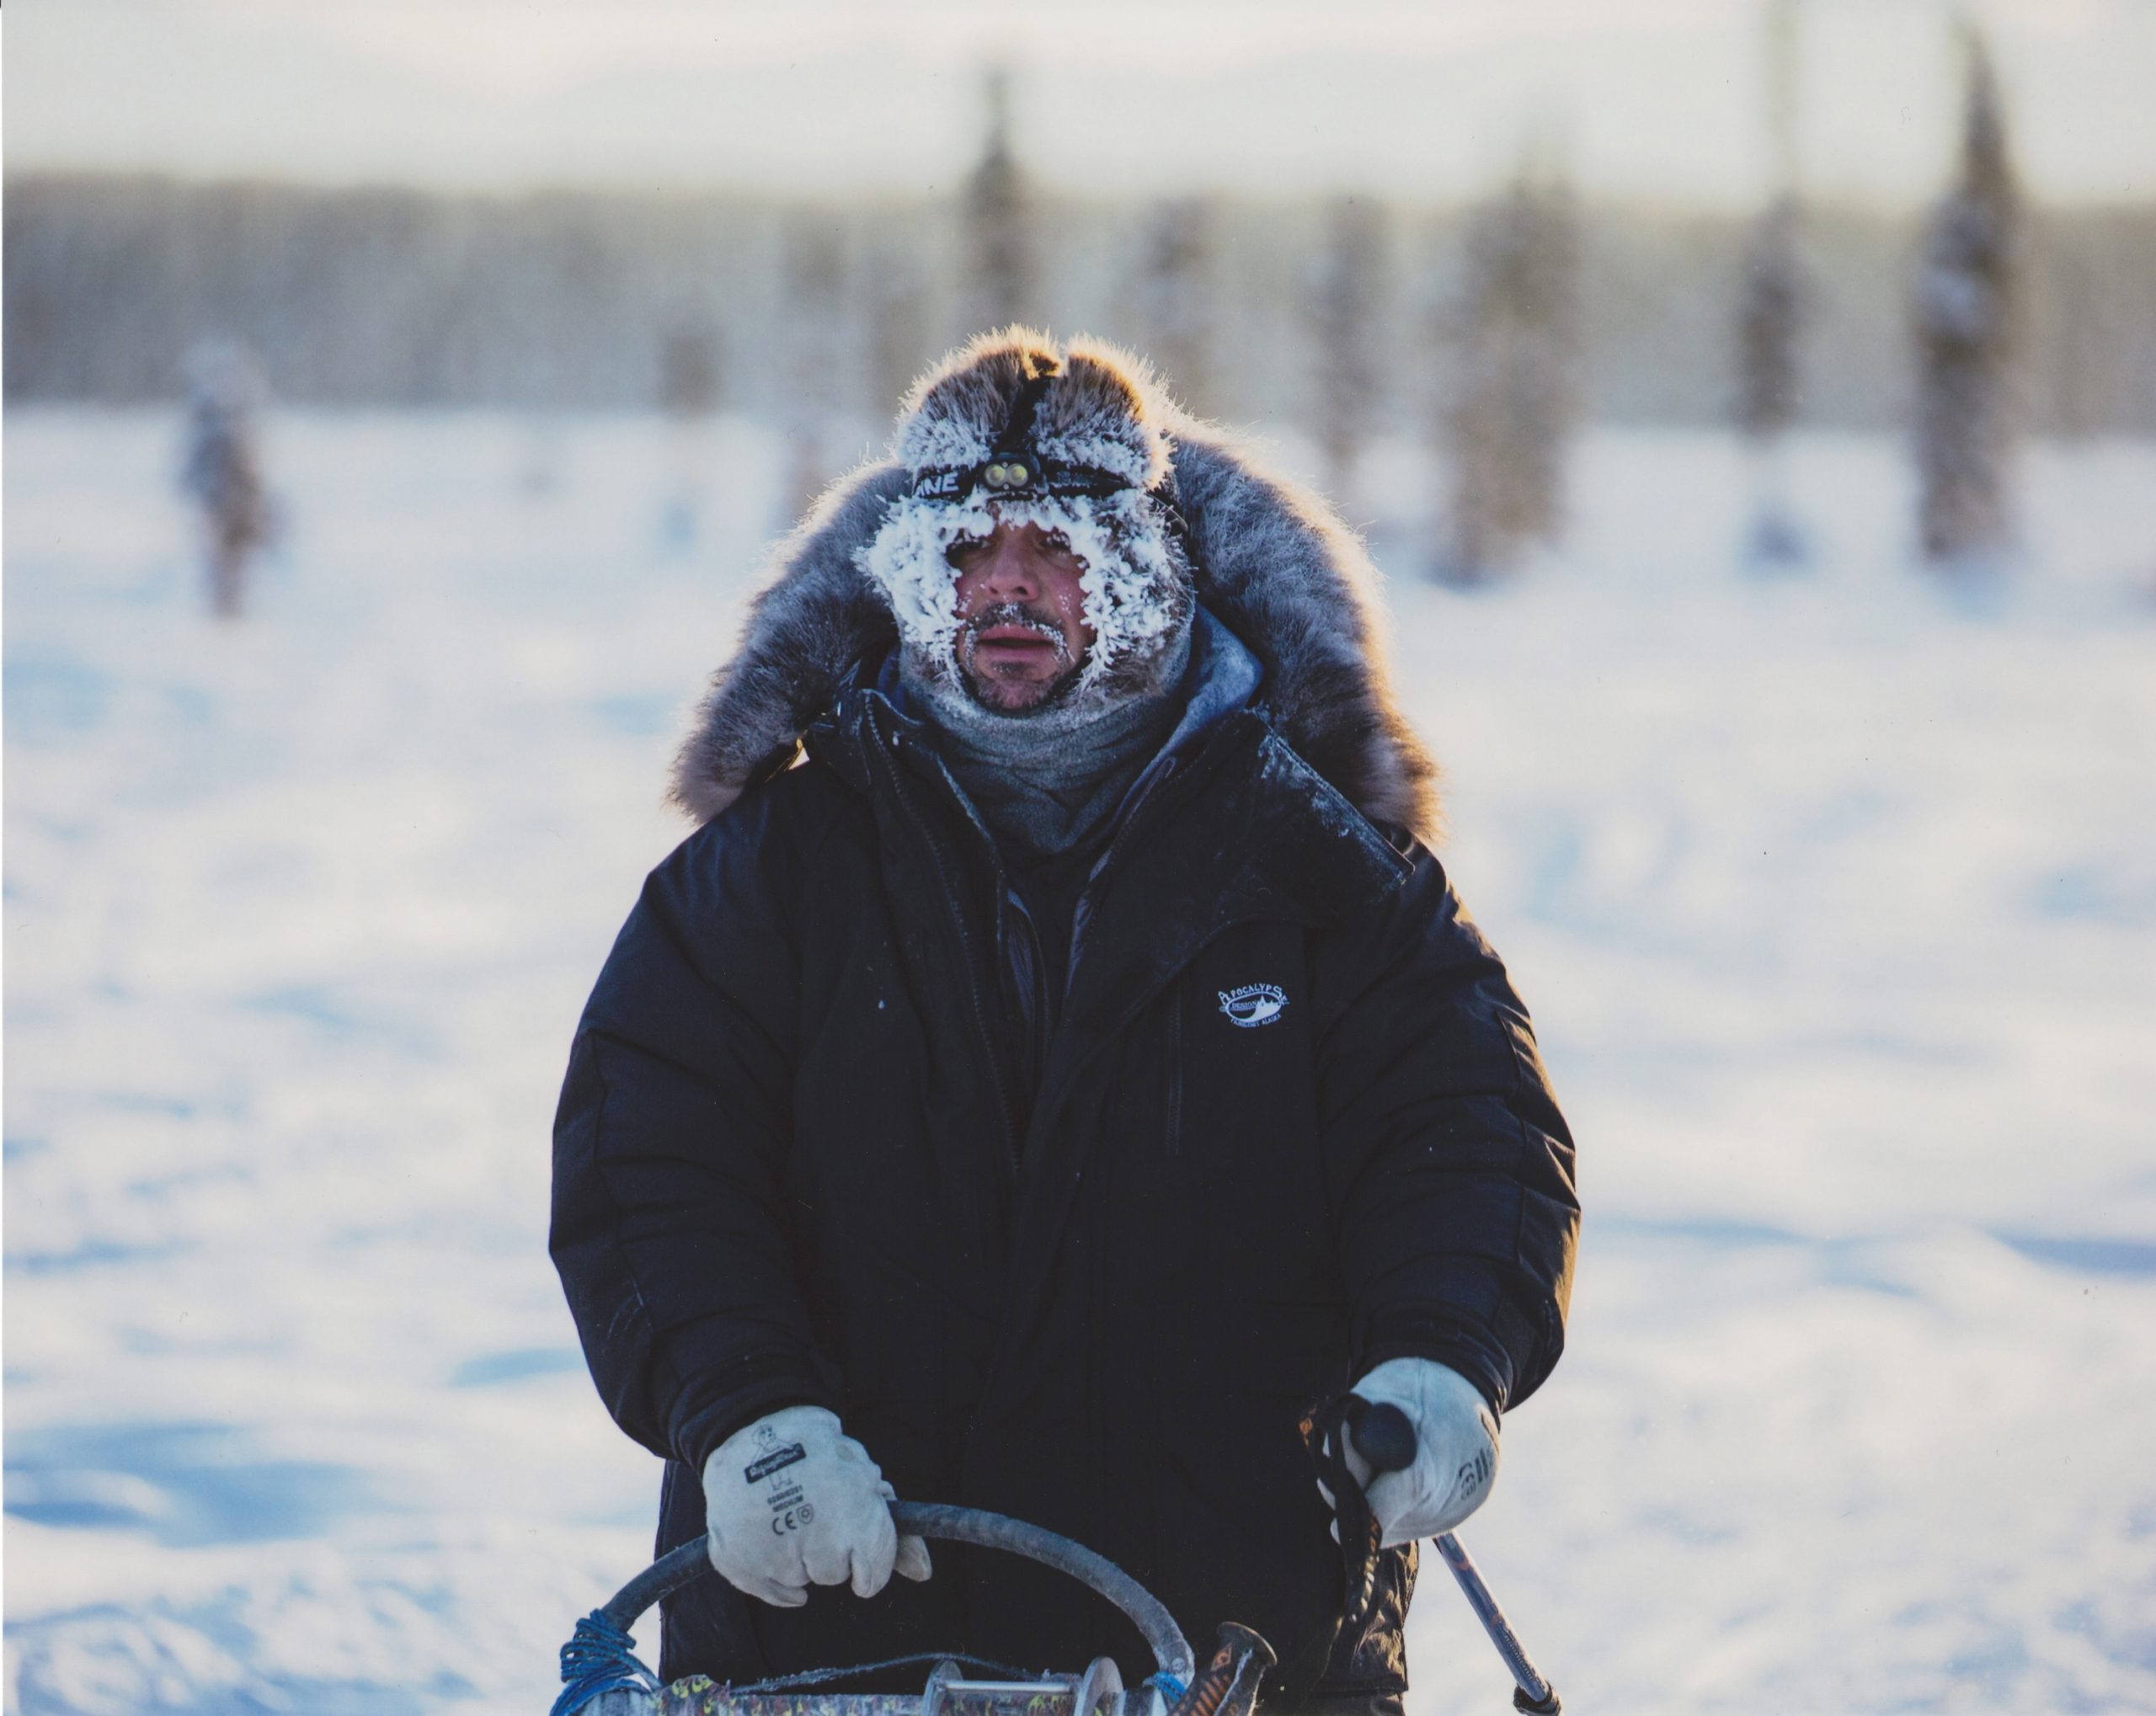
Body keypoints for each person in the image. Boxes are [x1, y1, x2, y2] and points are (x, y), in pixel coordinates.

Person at [551, 329, 1578, 1711]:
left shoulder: (1327, 872)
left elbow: (1469, 1127)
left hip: (1236, 1637)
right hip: (833, 1636)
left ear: (1150, 565)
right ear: (911, 572)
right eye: (966, 547)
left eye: (1059, 543)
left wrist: (1444, 1358)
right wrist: (744, 1408)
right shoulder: (766, 875)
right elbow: (651, 1152)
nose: (1008, 581)